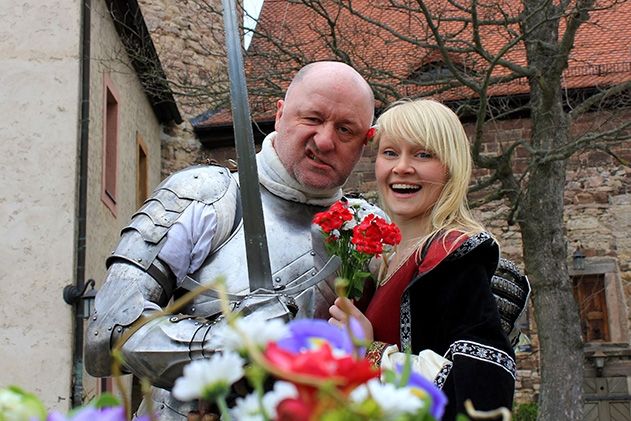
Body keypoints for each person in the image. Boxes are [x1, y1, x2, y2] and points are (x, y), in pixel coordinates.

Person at [85, 61, 375, 420]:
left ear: (366, 142)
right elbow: (109, 331)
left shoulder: (367, 231)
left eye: (346, 130)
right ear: (281, 115)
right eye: (312, 119)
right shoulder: (204, 197)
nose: (325, 140)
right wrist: (235, 343)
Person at [329, 99, 516, 420]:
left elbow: (484, 389)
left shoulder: (458, 257)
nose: (401, 166)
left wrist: (371, 352)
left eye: (422, 154)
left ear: (450, 167)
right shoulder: (379, 259)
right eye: (390, 153)